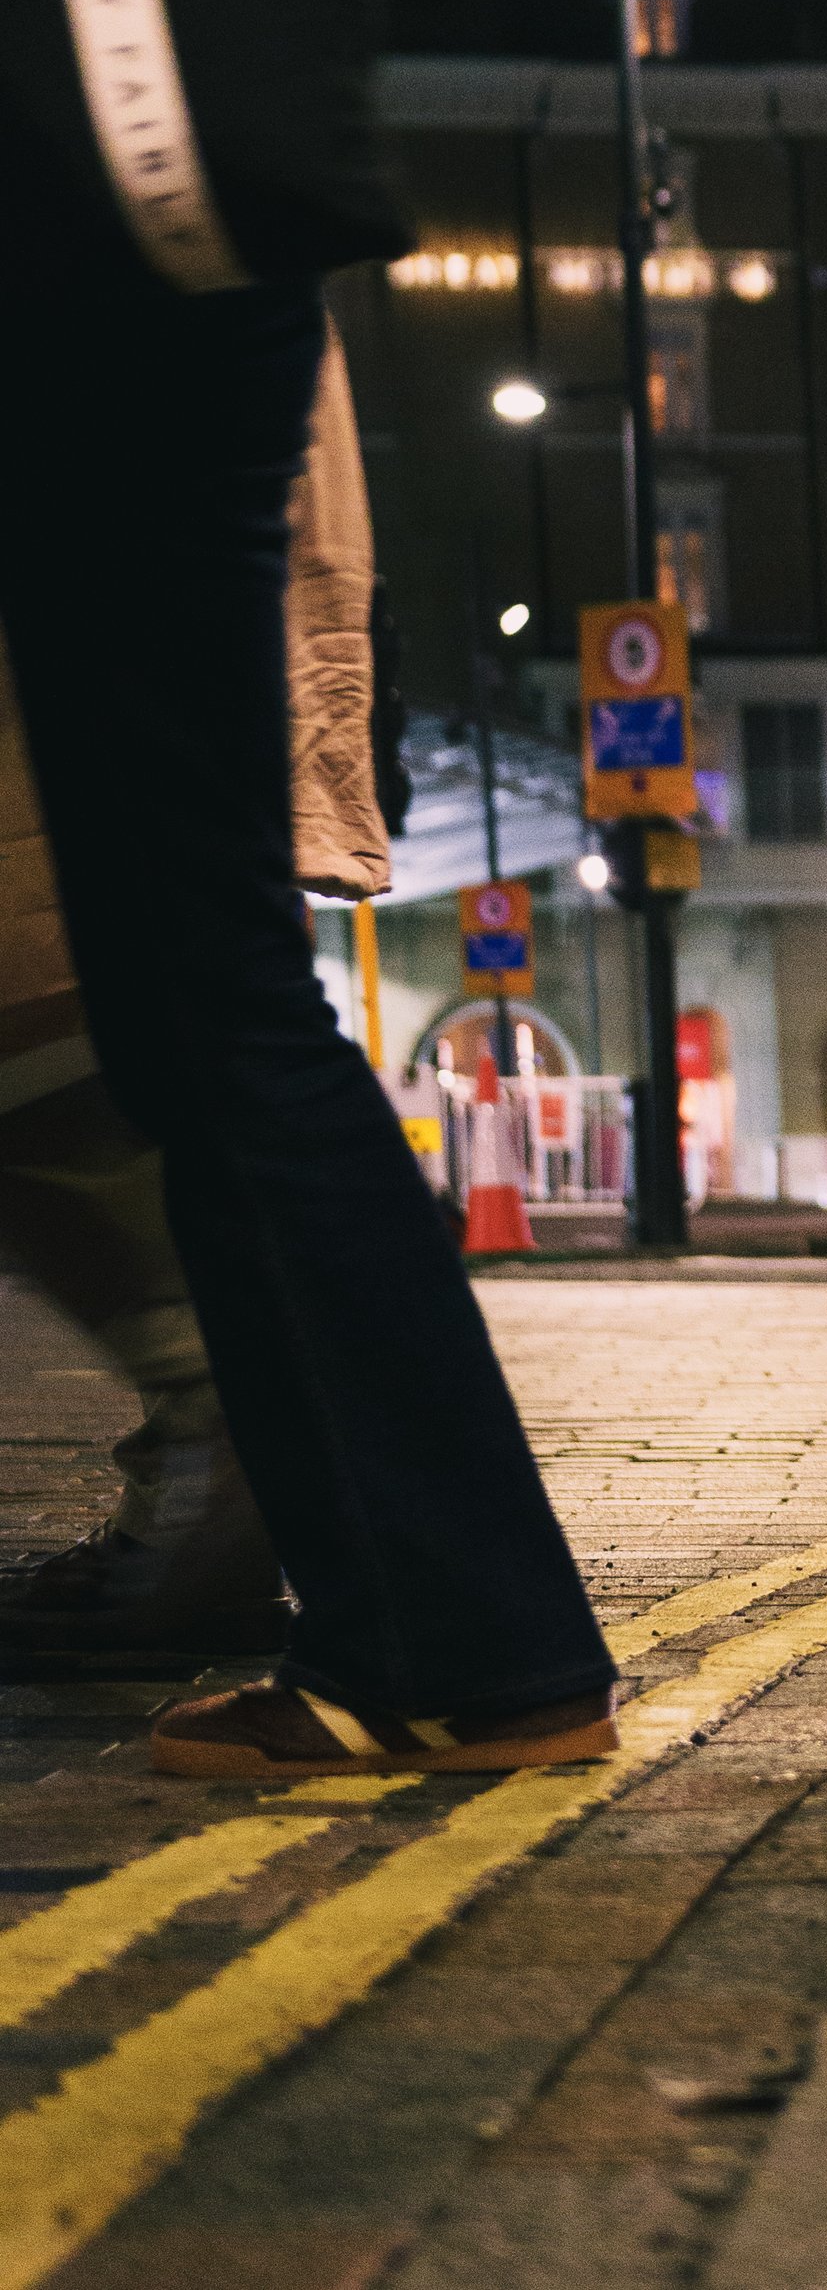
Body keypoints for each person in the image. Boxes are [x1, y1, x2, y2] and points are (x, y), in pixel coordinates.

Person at [0, 0, 616, 1776]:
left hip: (111, 238)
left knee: (202, 996)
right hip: (165, 236)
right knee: (187, 986)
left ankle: (464, 1630)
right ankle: (437, 1619)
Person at [0, 325, 388, 1663]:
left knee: (56, 998)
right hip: (162, 477)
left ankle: (228, 1431)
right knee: (118, 1007)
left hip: (121, 484)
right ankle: (241, 1451)